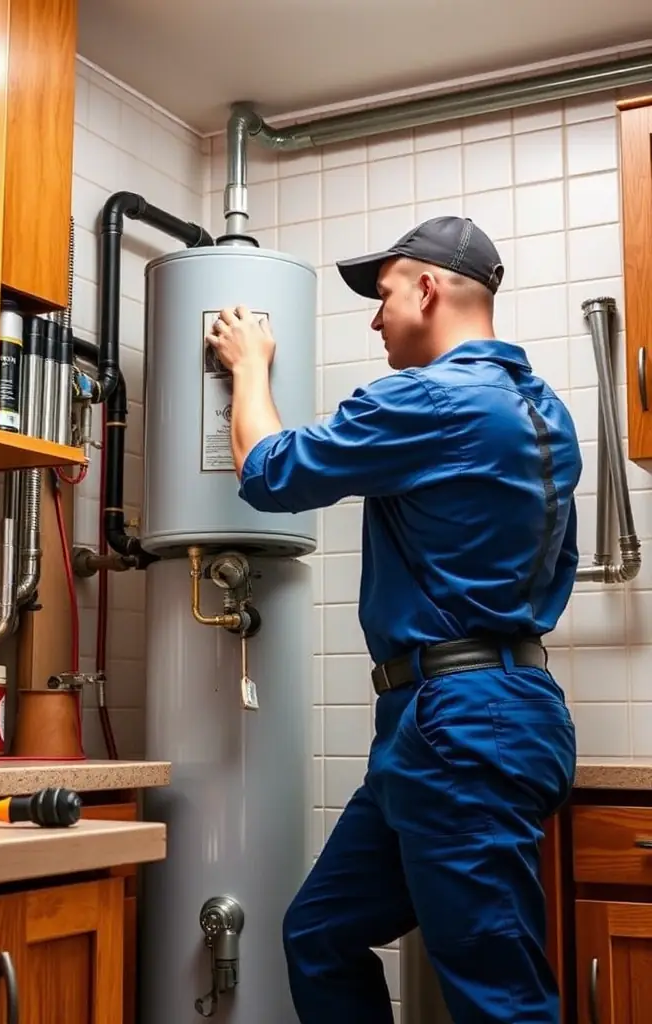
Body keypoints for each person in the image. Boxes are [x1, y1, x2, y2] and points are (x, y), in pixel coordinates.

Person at [204, 215, 581, 1024]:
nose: (375, 319)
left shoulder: (432, 398)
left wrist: (249, 367)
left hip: (461, 725)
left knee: (499, 997)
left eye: (381, 297)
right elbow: (560, 565)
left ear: (429, 288)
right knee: (322, 932)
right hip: (481, 716)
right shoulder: (545, 412)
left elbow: (269, 474)